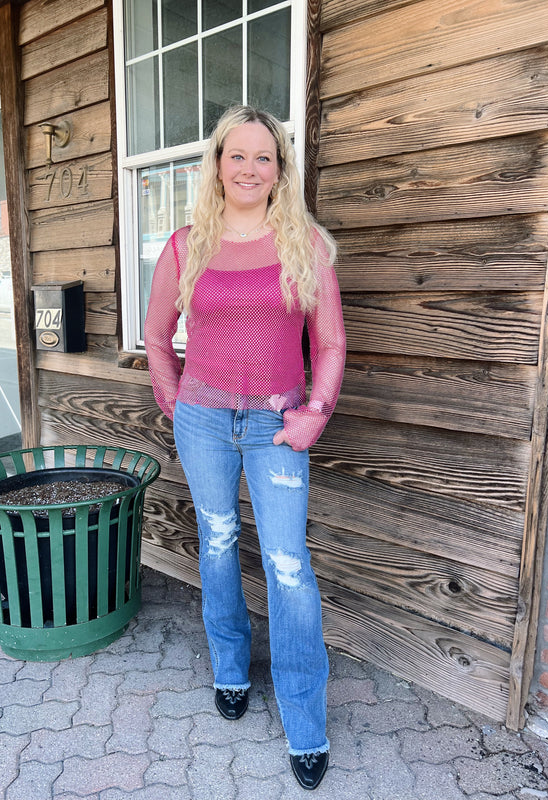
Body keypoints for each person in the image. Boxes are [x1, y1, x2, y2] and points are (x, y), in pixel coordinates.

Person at [144, 105, 346, 791]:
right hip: (203, 421)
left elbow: (330, 342)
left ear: (279, 167)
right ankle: (230, 668)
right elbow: (157, 334)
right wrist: (177, 404)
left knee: (289, 564)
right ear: (218, 163)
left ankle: (304, 716)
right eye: (238, 155)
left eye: (264, 157)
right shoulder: (185, 244)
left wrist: (316, 413)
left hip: (277, 424)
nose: (250, 168)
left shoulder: (304, 244)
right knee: (219, 541)